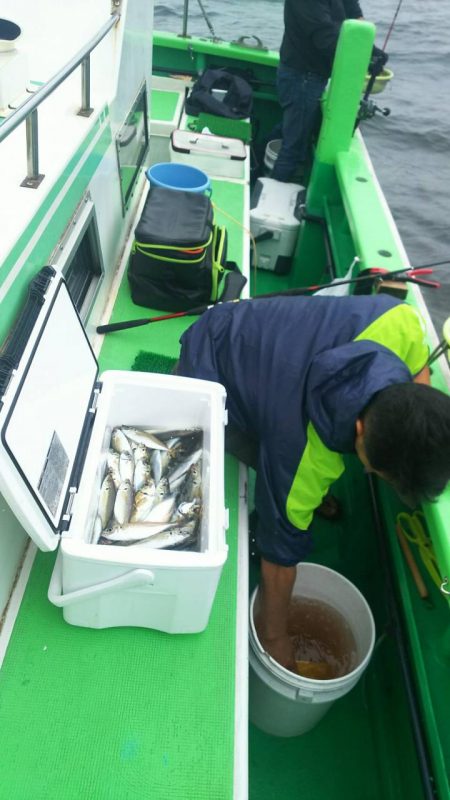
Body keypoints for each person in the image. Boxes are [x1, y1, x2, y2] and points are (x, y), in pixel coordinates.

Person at [176, 293, 450, 671]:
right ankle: (299, 499)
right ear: (359, 430)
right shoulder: (301, 454)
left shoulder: (402, 322)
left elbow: (419, 373)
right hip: (207, 363)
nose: (373, 474)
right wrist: (275, 639)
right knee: (279, 487)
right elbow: (279, 558)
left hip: (266, 339)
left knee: (292, 472)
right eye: (376, 470)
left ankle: (307, 498)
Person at [272, 0, 388, 182]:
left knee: (292, 130)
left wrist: (369, 48)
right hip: (302, 77)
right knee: (294, 147)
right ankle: (274, 188)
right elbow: (325, 38)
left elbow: (351, 9)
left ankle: (261, 165)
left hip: (312, 76)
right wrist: (363, 57)